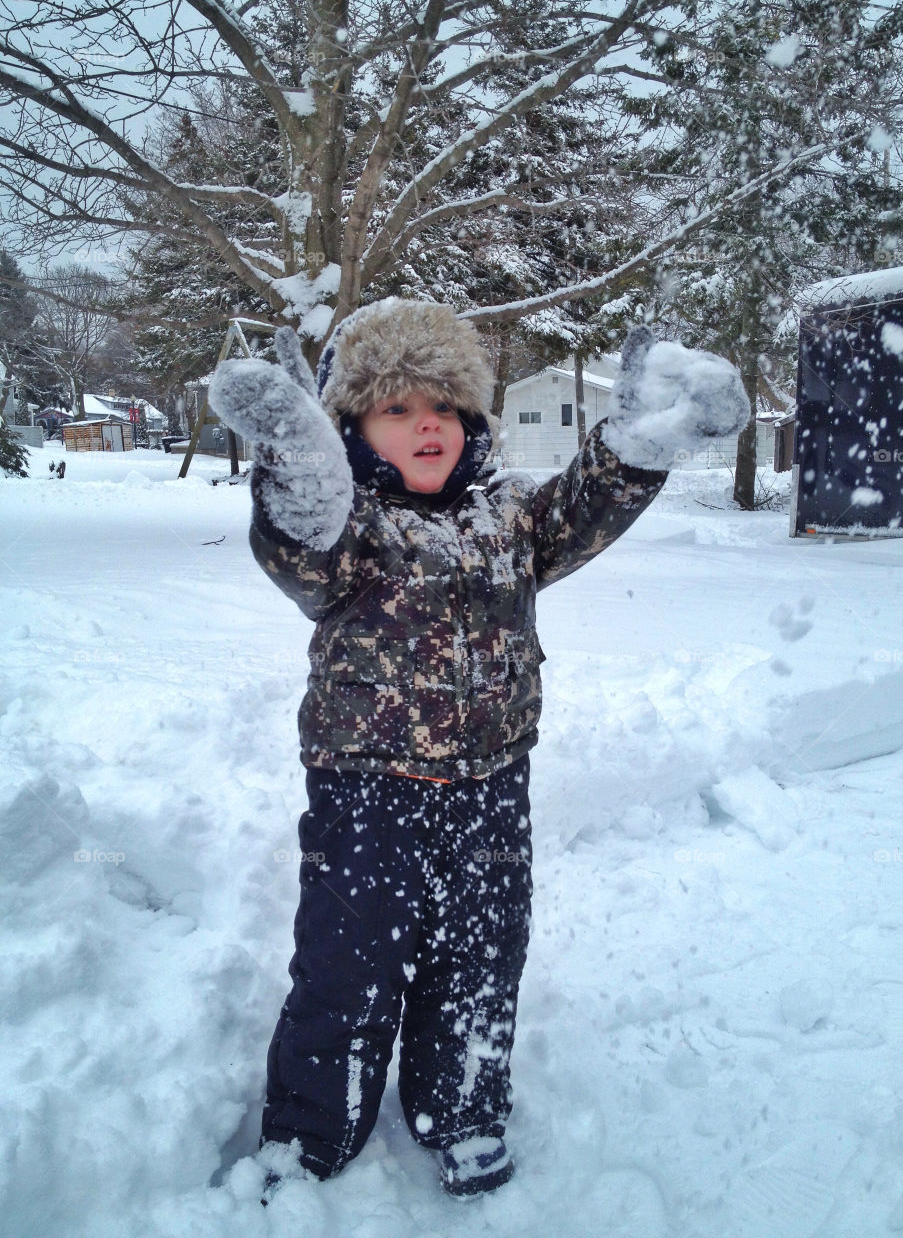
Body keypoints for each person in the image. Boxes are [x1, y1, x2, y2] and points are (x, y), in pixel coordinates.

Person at [209, 299, 749, 1200]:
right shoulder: (353, 534)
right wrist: (298, 460)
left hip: (493, 790)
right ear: (351, 431)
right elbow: (301, 546)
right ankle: (310, 1135)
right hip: (366, 799)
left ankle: (461, 1111)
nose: (429, 423)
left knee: (482, 961)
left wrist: (645, 443)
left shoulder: (510, 520)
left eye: (445, 406)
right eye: (396, 407)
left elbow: (584, 506)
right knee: (347, 971)